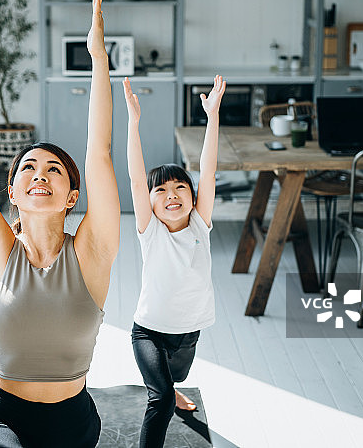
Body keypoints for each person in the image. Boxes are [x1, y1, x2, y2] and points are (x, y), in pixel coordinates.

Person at [0, 0, 120, 447]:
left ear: (71, 196)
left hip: (73, 422)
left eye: (53, 169)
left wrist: (98, 58)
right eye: (28, 167)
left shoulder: (92, 253)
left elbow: (100, 152)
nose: (39, 174)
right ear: (13, 192)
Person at [123, 74, 225, 448]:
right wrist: (133, 123)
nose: (172, 194)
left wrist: (212, 117)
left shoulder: (200, 223)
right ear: (150, 202)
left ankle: (169, 388)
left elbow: (208, 171)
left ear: (193, 197)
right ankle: (164, 394)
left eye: (180, 187)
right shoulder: (151, 231)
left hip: (189, 331)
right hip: (148, 330)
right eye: (161, 190)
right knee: (162, 398)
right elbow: (137, 180)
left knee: (175, 379)